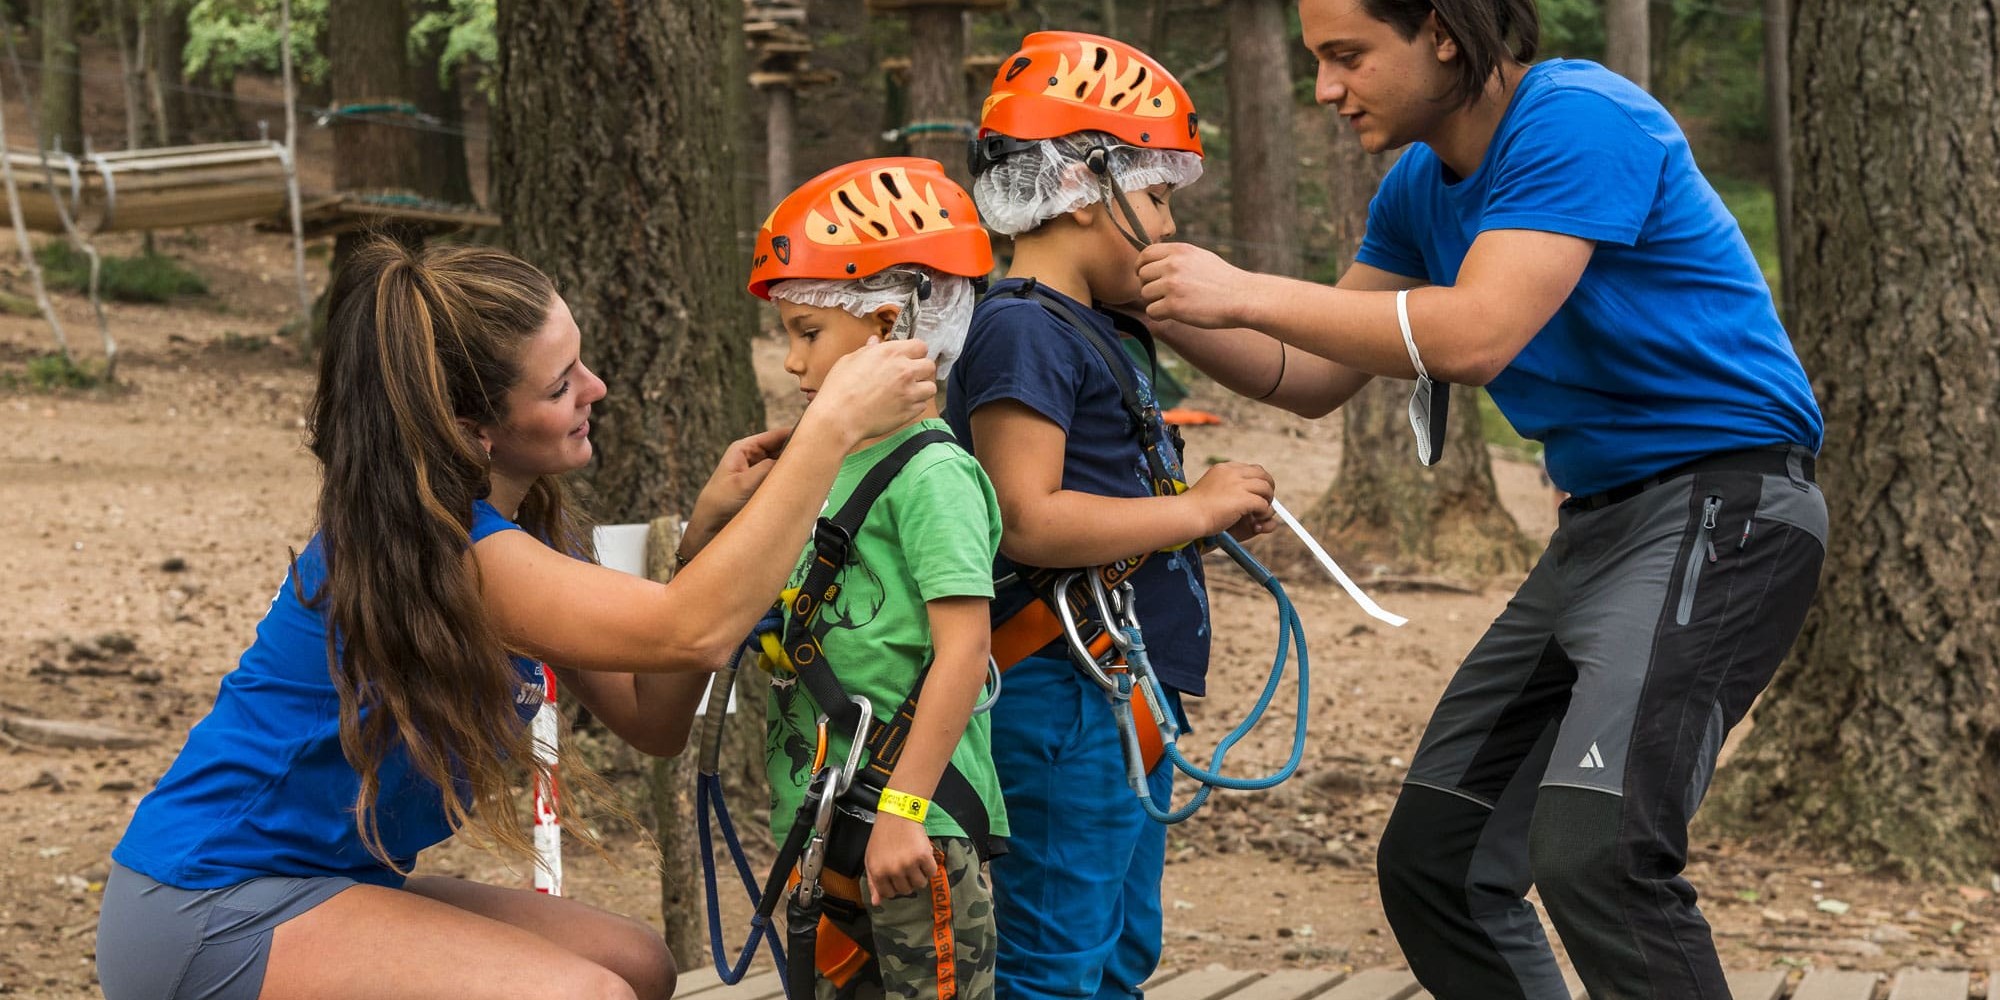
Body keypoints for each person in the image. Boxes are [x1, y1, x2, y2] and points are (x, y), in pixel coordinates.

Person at [1131, 2, 1827, 998]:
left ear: (1444, 33)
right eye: (1317, 61)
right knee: (1437, 862)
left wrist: (1236, 286)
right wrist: (1139, 293)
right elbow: (1306, 372)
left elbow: (1474, 334)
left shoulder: (1576, 117)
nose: (1325, 89)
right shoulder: (1420, 186)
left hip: (1724, 508)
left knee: (1596, 848)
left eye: (1346, 56)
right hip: (1597, 525)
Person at [95, 238, 939, 1000]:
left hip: (320, 880)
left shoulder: (518, 533)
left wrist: (704, 541)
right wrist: (832, 426)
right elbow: (698, 630)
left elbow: (653, 719)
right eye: (560, 383)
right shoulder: (455, 552)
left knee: (637, 967)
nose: (595, 390)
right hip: (208, 907)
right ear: (474, 429)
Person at [946, 32, 1277, 1000]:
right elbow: (1028, 519)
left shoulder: (1093, 327)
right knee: (1054, 962)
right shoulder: (1018, 324)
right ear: (1088, 185)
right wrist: (1194, 509)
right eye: (1161, 195)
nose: (1172, 223)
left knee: (1117, 950)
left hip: (1116, 685)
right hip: (1054, 687)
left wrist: (1192, 516)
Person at [743, 157, 1007, 1000]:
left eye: (807, 334)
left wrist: (904, 810)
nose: (791, 365)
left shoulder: (932, 475)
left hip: (912, 827)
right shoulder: (829, 465)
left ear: (889, 323)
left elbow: (965, 652)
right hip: (818, 822)